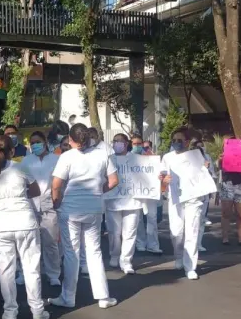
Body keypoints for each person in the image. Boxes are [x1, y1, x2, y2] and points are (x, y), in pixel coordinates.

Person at [49, 123, 118, 309]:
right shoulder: (103, 154)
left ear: (70, 139)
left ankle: (68, 297)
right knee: (94, 252)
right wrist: (97, 191)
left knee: (71, 254)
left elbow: (56, 185)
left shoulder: (66, 157)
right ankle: (103, 297)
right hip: (94, 208)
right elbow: (113, 181)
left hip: (70, 209)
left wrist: (56, 203)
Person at [0, 135, 50, 319]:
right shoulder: (21, 167)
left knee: (6, 271)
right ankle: (37, 310)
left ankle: (10, 312)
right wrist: (20, 194)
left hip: (0, 225)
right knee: (31, 269)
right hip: (25, 223)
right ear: (12, 151)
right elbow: (36, 191)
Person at [160, 127, 208, 280]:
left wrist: (205, 169)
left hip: (193, 199)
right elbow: (161, 176)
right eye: (173, 140)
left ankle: (190, 267)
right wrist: (164, 180)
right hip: (175, 199)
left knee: (192, 232)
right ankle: (179, 256)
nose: (176, 143)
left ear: (187, 142)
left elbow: (205, 177)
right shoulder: (167, 157)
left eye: (179, 140)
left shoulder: (197, 156)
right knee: (177, 233)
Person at [21, 131, 61, 286]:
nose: (35, 145)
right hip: (30, 205)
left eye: (38, 142)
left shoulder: (56, 160)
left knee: (50, 242)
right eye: (32, 143)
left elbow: (60, 182)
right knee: (30, 243)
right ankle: (30, 273)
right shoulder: (25, 161)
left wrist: (57, 200)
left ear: (45, 142)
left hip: (49, 204)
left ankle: (53, 274)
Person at [104, 133, 142, 274]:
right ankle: (115, 255)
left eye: (120, 141)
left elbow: (147, 173)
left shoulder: (138, 159)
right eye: (115, 141)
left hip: (133, 201)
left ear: (127, 143)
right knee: (114, 232)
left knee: (130, 232)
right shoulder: (108, 159)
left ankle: (126, 261)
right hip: (113, 202)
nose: (117, 144)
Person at [132, 134, 163, 254]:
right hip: (136, 192)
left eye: (139, 144)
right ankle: (140, 243)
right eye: (134, 144)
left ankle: (153, 245)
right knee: (138, 219)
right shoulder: (128, 158)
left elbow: (158, 171)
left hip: (149, 192)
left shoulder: (151, 157)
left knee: (152, 217)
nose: (137, 146)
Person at [218, 136, 241, 246]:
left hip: (240, 185)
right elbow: (219, 166)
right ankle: (225, 237)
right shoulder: (222, 156)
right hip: (227, 185)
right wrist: (221, 159)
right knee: (226, 213)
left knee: (240, 214)